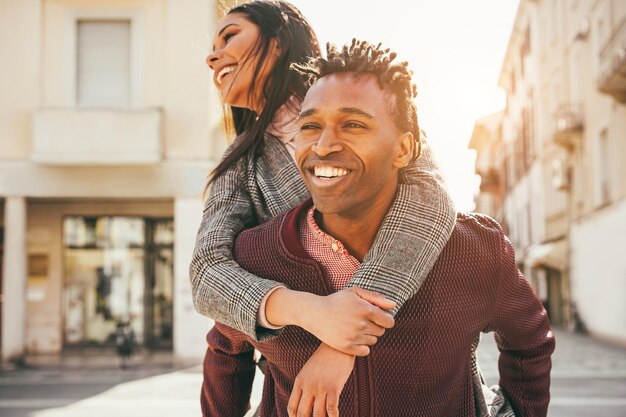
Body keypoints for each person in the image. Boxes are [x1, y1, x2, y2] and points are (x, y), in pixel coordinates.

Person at [202, 40, 555, 417]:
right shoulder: (257, 255)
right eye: (310, 126)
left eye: (352, 124)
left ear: (403, 149)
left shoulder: (474, 249)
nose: (323, 145)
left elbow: (529, 340)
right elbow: (226, 348)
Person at [191, 0, 455, 360]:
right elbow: (207, 271)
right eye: (212, 49)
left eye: (229, 37)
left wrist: (344, 341)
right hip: (304, 384)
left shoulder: (365, 97)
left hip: (421, 360)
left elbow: (429, 201)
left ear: (278, 41)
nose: (213, 57)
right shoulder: (241, 162)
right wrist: (308, 311)